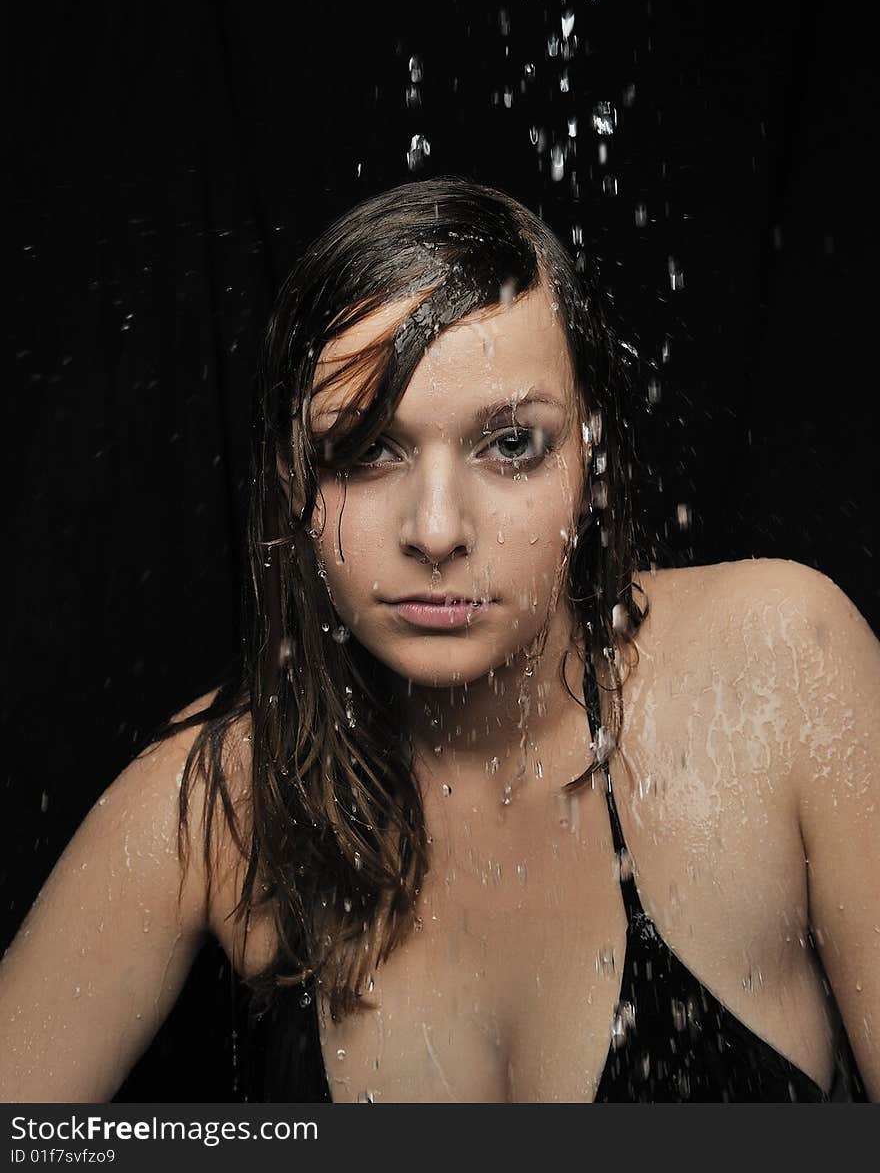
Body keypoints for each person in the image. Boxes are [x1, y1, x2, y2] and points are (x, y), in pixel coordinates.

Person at [0, 176, 877, 1103]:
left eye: (510, 446)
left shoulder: (777, 668)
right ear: (293, 479)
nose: (435, 529)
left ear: (591, 456)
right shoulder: (226, 798)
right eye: (366, 449)